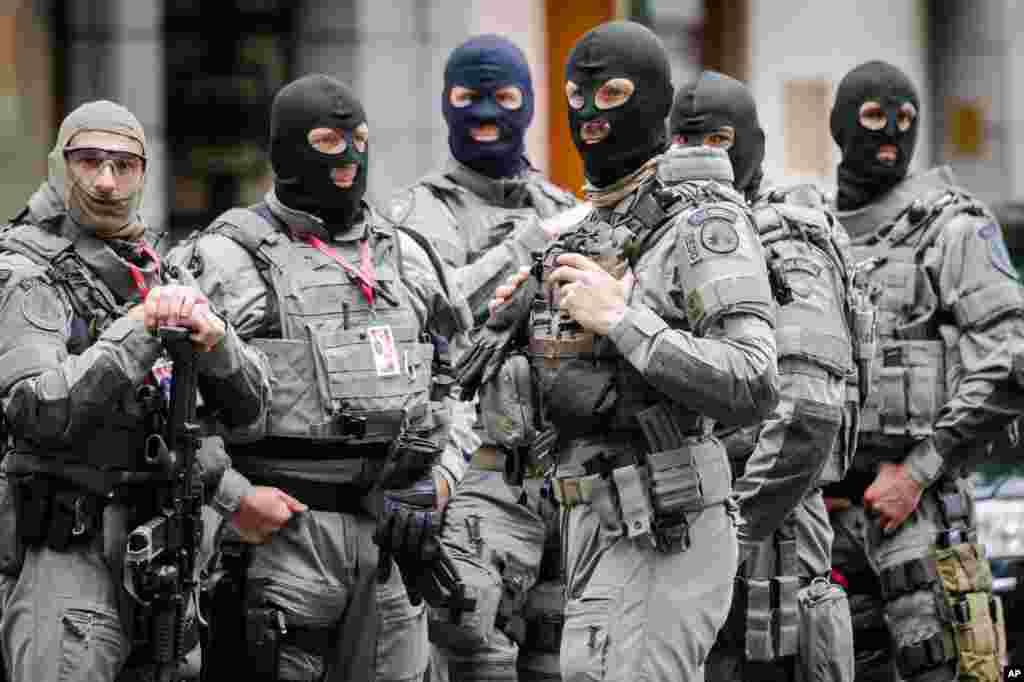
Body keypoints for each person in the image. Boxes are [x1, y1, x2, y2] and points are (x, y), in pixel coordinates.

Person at [460, 21, 779, 681]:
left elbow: (753, 380)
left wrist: (622, 319)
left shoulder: (702, 222)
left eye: (613, 96)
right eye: (577, 98)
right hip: (591, 528)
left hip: (664, 527)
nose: (591, 117)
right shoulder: (593, 224)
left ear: (657, 102)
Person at [168, 74, 479, 682]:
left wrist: (439, 480)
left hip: (393, 540)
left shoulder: (407, 255)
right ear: (285, 150)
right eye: (326, 141)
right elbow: (169, 400)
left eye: (360, 140)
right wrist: (232, 498)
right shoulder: (225, 259)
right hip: (283, 538)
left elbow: (463, 383)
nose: (348, 159)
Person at [0, 100, 290, 682]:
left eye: (124, 165)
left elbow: (255, 412)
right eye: (89, 162)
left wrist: (217, 340)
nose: (107, 181)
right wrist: (138, 331)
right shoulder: (26, 273)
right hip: (72, 565)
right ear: (61, 165)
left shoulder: (159, 271)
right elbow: (36, 408)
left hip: (169, 569)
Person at [384, 34, 579, 682]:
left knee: (567, 660)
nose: (485, 115)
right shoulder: (411, 217)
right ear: (445, 104)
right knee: (472, 653)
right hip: (475, 475)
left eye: (503, 97)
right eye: (468, 98)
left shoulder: (563, 209)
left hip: (568, 479)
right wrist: (527, 251)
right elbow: (442, 314)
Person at [822, 60, 1023, 682]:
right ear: (839, 127)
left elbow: (1011, 354)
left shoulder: (952, 228)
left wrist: (918, 470)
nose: (890, 137)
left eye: (905, 121)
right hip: (822, 525)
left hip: (917, 518)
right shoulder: (811, 233)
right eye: (874, 118)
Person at [670, 70, 858, 682]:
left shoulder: (784, 239)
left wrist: (737, 531)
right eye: (686, 142)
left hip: (769, 545)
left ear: (752, 143)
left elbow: (808, 413)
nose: (702, 158)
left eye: (720, 141)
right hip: (684, 533)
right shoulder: (679, 234)